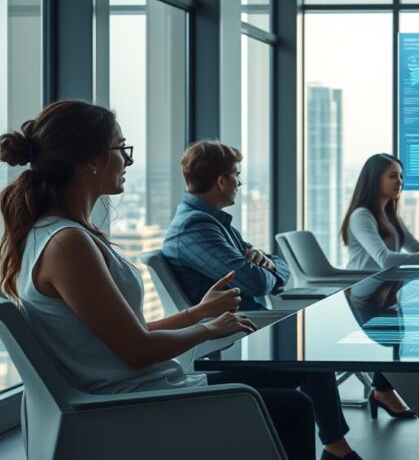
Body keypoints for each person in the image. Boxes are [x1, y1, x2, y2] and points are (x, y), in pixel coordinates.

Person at [0, 101, 318, 459]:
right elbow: (138, 350)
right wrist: (208, 330)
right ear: (90, 160)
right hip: (135, 405)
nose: (128, 160)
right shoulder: (68, 244)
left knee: (291, 383)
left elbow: (128, 334)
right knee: (294, 408)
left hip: (139, 392)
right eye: (121, 148)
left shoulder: (54, 235)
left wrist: (198, 313)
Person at [162, 140, 361, 459]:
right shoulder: (195, 228)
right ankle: (336, 448)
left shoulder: (213, 222)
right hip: (235, 332)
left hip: (249, 326)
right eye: (236, 175)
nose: (240, 183)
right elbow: (255, 281)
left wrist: (265, 265)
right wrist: (265, 269)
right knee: (313, 358)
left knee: (315, 358)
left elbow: (276, 264)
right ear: (221, 181)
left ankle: (336, 448)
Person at [341, 152, 419, 418]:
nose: (400, 182)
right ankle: (383, 391)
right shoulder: (362, 216)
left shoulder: (389, 214)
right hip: (364, 292)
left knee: (407, 329)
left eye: (402, 176)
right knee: (400, 334)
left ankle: (383, 390)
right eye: (393, 176)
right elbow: (384, 259)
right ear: (375, 179)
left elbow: (415, 247)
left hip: (385, 289)